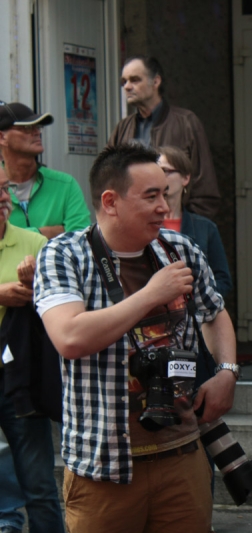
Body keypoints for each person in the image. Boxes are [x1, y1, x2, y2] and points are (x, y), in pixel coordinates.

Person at [33, 144, 238, 532]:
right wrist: (151, 295)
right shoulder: (65, 255)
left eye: (165, 193)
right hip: (103, 468)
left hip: (182, 456)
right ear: (110, 201)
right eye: (151, 196)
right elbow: (70, 337)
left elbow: (214, 313)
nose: (164, 206)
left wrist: (226, 371)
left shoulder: (179, 249)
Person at [0, 172, 64, 533]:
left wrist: (32, 285)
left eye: (4, 189)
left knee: (39, 484)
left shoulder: (34, 243)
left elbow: (59, 303)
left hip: (22, 376)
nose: (2, 198)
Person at [108, 56, 220, 218]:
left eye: (135, 80)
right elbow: (108, 181)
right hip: (134, 224)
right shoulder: (122, 129)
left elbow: (205, 189)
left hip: (174, 223)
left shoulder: (186, 123)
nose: (127, 87)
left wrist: (186, 224)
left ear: (156, 81)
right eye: (124, 81)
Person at [0, 101, 91, 237]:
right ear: (2, 137)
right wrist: (48, 232)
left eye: (38, 127)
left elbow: (81, 238)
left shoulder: (65, 184)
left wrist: (17, 236)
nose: (37, 132)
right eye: (27, 128)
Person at [157, 145, 232, 298]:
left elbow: (223, 280)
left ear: (185, 178)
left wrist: (198, 297)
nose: (160, 176)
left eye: (165, 171)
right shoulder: (145, 225)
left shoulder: (205, 228)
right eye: (157, 171)